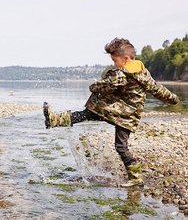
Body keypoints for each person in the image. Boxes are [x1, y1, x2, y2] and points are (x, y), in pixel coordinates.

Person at [43, 38, 179, 187]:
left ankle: (136, 177)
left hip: (123, 116)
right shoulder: (142, 71)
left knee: (120, 146)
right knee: (87, 114)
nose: (114, 63)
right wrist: (173, 99)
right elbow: (157, 89)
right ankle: (54, 120)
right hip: (119, 112)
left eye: (115, 60)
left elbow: (105, 85)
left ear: (126, 59)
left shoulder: (122, 74)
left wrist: (93, 86)